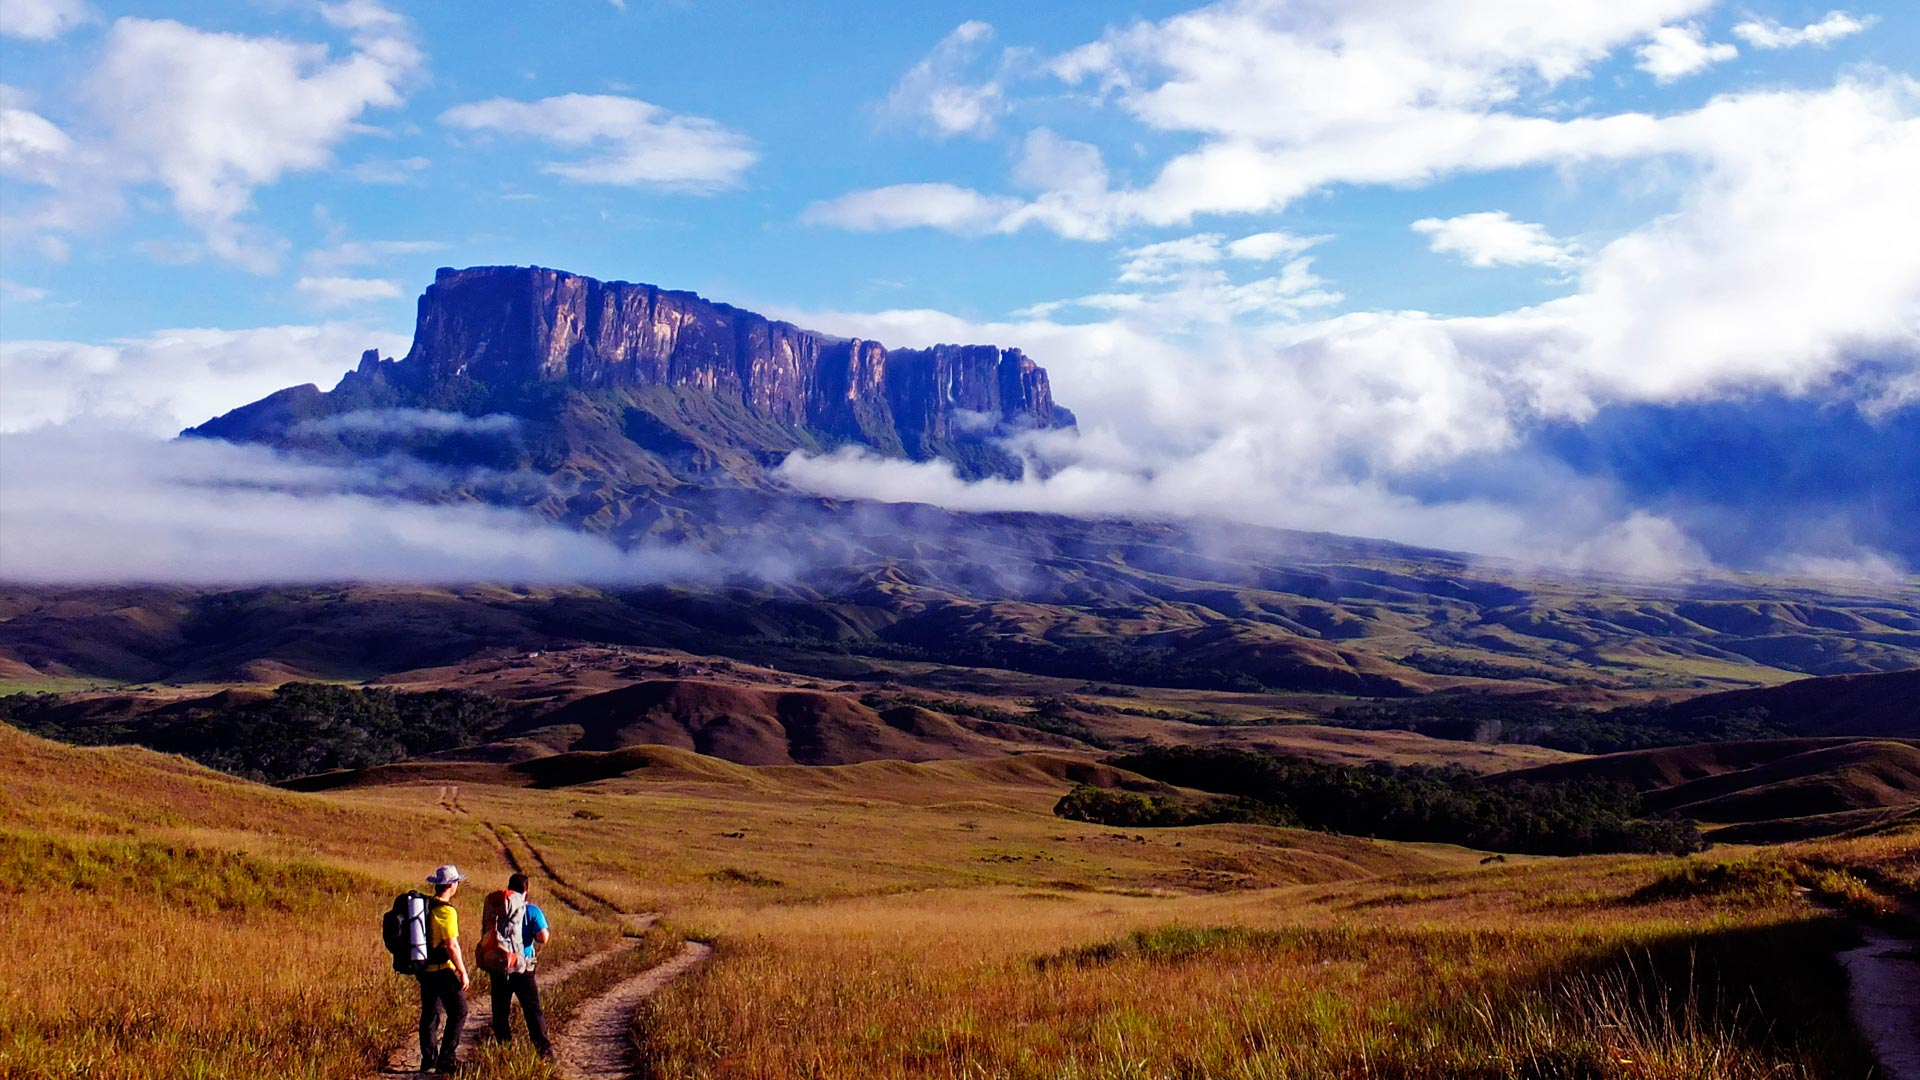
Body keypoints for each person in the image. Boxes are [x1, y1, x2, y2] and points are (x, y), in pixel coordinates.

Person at [490, 872, 552, 1058]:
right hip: (522, 966)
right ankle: (544, 1052)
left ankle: (504, 1050)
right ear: (526, 889)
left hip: (500, 965)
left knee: (500, 1011)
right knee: (532, 1010)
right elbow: (543, 938)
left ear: (508, 888)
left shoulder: (497, 908)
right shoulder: (532, 911)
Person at [418, 865, 471, 1075]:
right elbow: (452, 946)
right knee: (459, 1011)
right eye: (456, 882)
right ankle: (446, 1059)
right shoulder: (446, 912)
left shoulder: (426, 908)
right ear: (450, 885)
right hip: (442, 970)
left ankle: (428, 1059)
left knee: (430, 1014)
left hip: (425, 971)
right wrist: (462, 971)